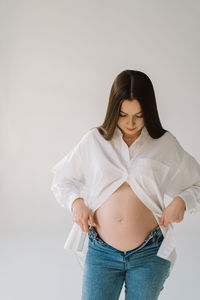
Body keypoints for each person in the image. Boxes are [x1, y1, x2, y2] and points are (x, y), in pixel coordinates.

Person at [51, 70, 200, 300]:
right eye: (123, 114)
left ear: (149, 112)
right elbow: (62, 180)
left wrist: (182, 200)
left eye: (139, 116)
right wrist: (76, 202)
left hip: (150, 255)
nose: (131, 123)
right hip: (101, 253)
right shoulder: (94, 141)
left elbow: (196, 184)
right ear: (113, 111)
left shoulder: (165, 144)